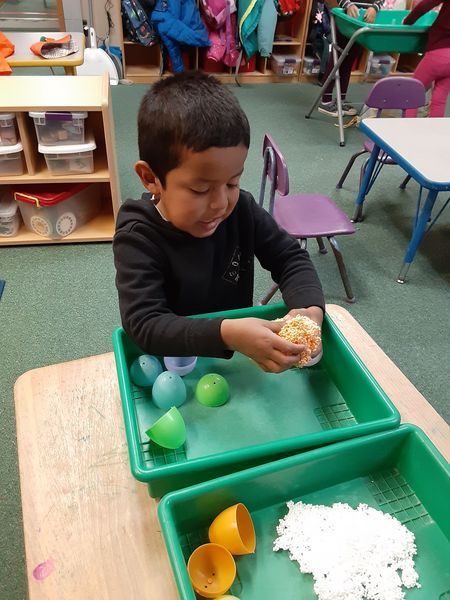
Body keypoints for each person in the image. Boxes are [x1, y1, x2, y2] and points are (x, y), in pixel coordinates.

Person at [113, 71, 325, 374]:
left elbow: (291, 257)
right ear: (151, 179)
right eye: (200, 189)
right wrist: (229, 334)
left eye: (232, 183)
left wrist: (308, 311)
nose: (220, 203)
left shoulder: (241, 210)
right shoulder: (138, 236)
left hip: (240, 357)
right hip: (177, 362)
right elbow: (145, 324)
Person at [318, 0, 383, 117]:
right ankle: (325, 100)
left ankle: (341, 100)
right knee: (337, 57)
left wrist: (375, 7)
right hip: (345, 15)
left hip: (364, 17)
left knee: (350, 59)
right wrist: (347, 4)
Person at [404, 0, 450, 118]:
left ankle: (405, 129)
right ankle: (433, 132)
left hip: (438, 51)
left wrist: (407, 21)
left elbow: (425, 5)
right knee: (440, 98)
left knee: (412, 92)